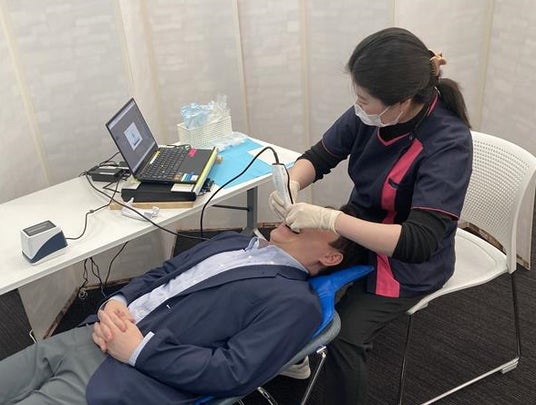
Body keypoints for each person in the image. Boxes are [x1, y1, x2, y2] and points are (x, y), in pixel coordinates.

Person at [269, 27, 473, 404]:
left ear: (403, 102)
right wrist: (292, 182)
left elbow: (418, 242)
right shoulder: (373, 114)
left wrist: (330, 220)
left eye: (365, 100)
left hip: (408, 262)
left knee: (345, 335)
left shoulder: (448, 143)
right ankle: (294, 357)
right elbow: (319, 157)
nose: (358, 106)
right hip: (357, 230)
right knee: (281, 272)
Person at [0, 209, 363, 405]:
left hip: (123, 376)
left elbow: (233, 372)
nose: (302, 217)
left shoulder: (296, 304)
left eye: (321, 222)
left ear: (331, 257)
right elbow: (163, 272)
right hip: (88, 334)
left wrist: (139, 351)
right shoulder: (233, 242)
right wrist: (118, 300)